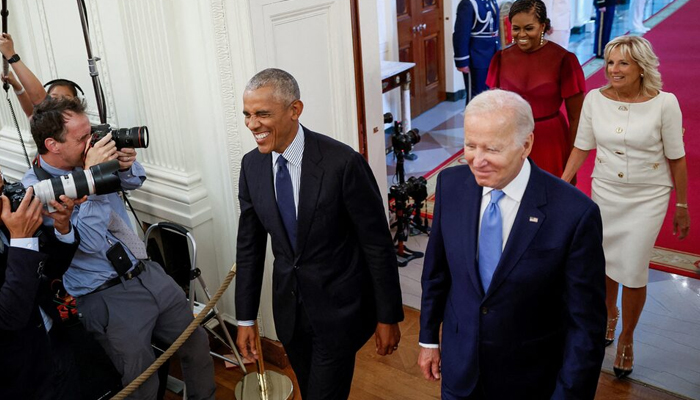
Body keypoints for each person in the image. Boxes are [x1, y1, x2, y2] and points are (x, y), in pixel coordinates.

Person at [418, 89, 606, 399]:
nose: (477, 161)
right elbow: (437, 273)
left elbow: (585, 326)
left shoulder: (574, 214)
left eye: (492, 148)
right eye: (469, 146)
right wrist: (428, 340)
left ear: (526, 144)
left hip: (530, 380)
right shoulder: (450, 186)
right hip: (459, 371)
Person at [23, 97, 216, 400]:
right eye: (83, 137)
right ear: (53, 143)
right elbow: (86, 242)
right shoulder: (37, 191)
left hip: (146, 271)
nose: (93, 142)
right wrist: (92, 179)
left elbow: (135, 179)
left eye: (92, 133)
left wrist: (124, 165)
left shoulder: (88, 156)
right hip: (106, 297)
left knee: (196, 345)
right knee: (143, 383)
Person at [235, 68, 404, 400]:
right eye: (248, 114)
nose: (252, 124)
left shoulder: (343, 163)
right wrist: (245, 318)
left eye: (262, 114)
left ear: (295, 110)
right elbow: (249, 248)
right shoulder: (251, 166)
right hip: (290, 316)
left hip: (339, 314)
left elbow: (376, 245)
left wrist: (388, 316)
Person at [562, 35, 689, 379]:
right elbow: (582, 146)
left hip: (648, 197)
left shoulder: (665, 103)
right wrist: (563, 182)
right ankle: (608, 316)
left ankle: (627, 340)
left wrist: (682, 203)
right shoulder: (594, 99)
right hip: (606, 192)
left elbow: (676, 157)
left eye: (623, 63)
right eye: (610, 62)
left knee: (632, 269)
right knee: (605, 262)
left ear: (641, 67)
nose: (613, 70)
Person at [0, 177, 81, 399]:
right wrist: (22, 240)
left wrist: (62, 228)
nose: (4, 196)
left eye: (3, 184)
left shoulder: (8, 215)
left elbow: (50, 271)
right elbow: (10, 316)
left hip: (56, 337)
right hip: (19, 374)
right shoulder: (18, 227)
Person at [486, 0, 585, 178]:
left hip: (550, 141)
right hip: (512, 139)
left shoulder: (563, 60)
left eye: (529, 28)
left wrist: (571, 164)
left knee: (548, 197)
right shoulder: (501, 58)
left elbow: (576, 118)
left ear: (543, 26)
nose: (521, 35)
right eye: (516, 28)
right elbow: (494, 111)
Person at [453, 0, 500, 103]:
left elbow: (496, 31)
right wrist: (462, 61)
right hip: (476, 57)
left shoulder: (491, 2)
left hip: (492, 56)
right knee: (476, 98)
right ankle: (473, 119)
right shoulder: (468, 4)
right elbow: (461, 34)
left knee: (490, 95)